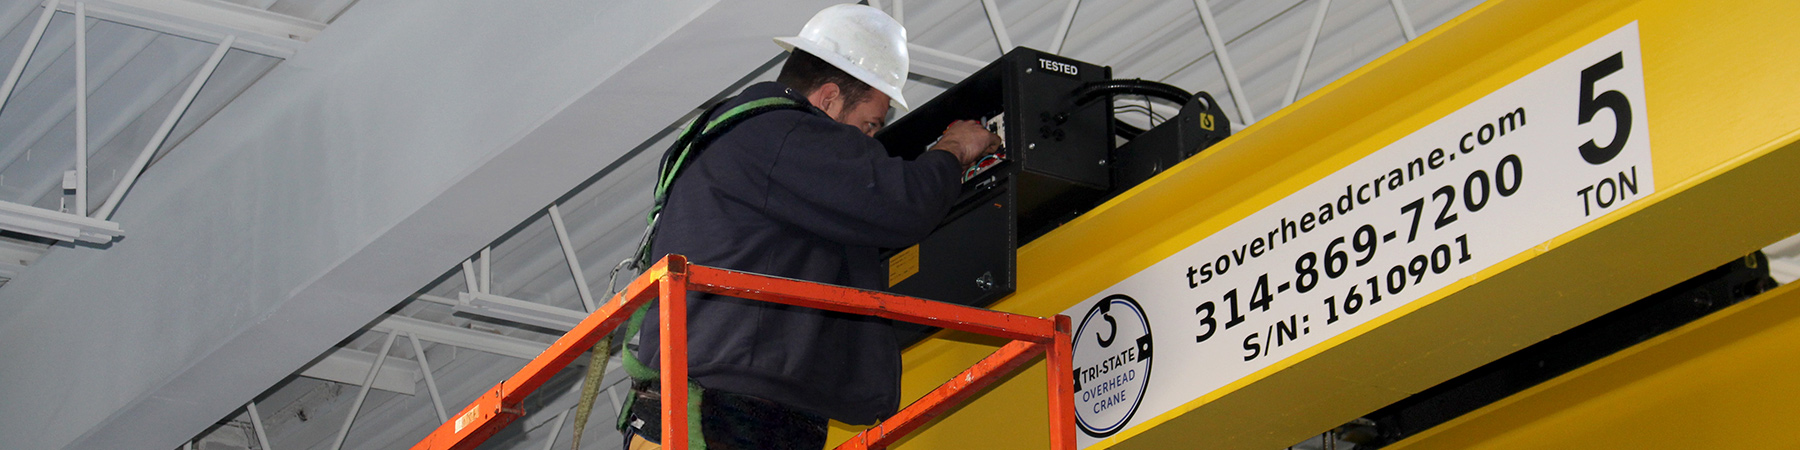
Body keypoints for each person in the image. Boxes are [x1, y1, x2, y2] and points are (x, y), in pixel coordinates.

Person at [621, 4, 1000, 450]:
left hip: (705, 407)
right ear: (827, 98)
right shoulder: (782, 133)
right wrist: (953, 150)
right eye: (869, 125)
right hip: (720, 413)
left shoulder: (731, 141)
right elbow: (900, 204)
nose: (869, 144)